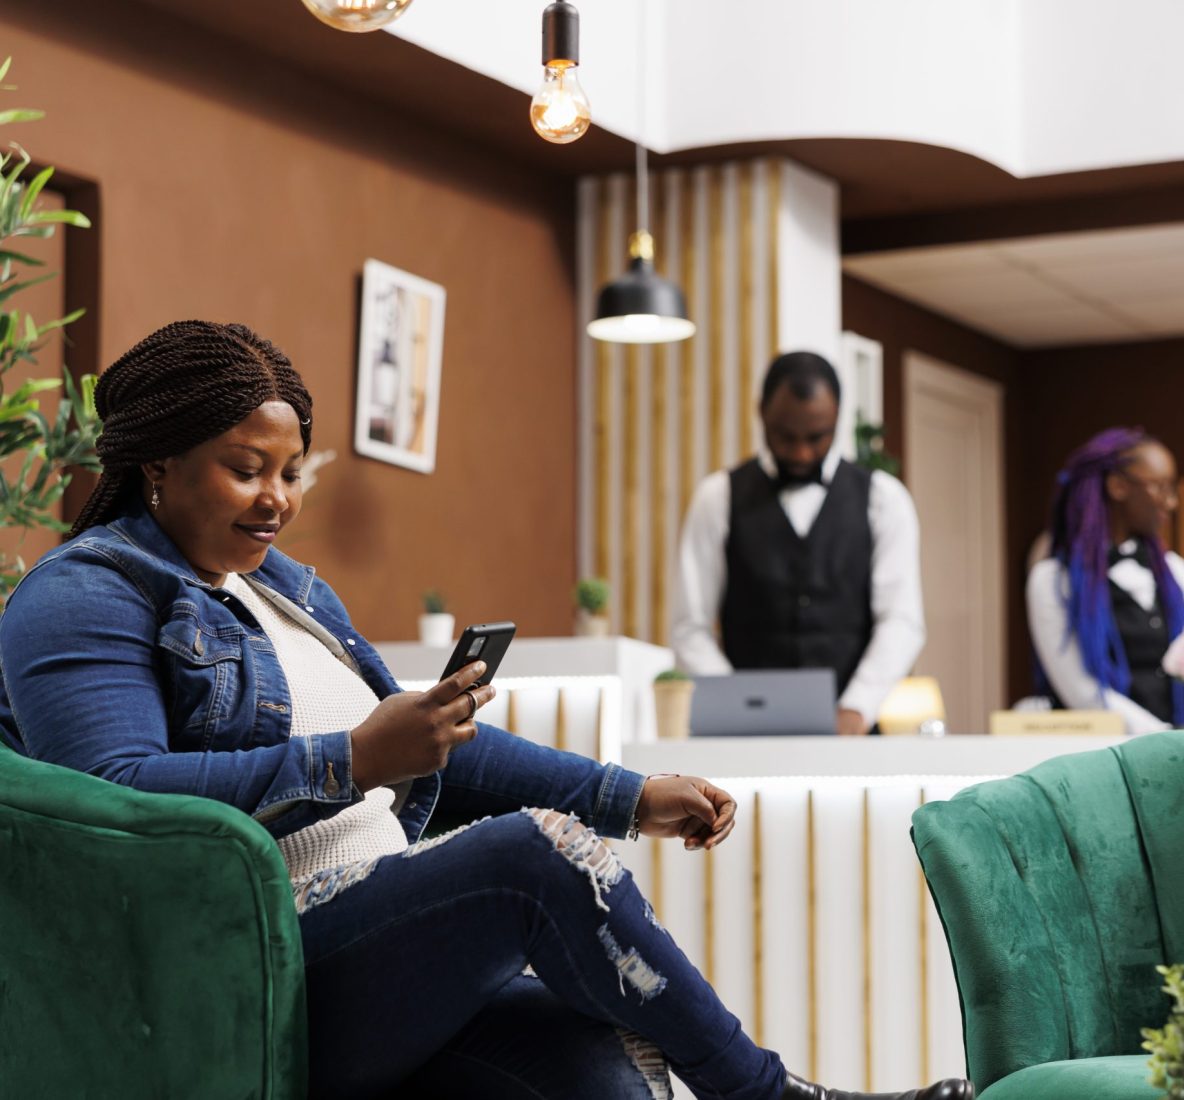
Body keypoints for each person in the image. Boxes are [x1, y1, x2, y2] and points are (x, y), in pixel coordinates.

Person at [0, 321, 971, 1100]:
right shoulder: (84, 593)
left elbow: (434, 748)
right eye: (246, 468)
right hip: (259, 959)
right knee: (531, 851)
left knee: (604, 1069)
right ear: (156, 461)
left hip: (394, 932)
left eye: (290, 470)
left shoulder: (286, 586)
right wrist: (350, 758)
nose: (277, 500)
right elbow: (112, 802)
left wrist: (629, 794)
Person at [671, 352, 925, 736]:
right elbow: (690, 626)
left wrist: (856, 707)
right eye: (785, 436)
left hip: (854, 736)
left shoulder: (884, 499)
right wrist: (737, 706)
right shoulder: (718, 496)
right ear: (761, 414)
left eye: (816, 437)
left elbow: (902, 620)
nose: (802, 453)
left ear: (838, 417)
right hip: (740, 737)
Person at [1026, 428, 1184, 735]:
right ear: (1118, 487)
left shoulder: (1175, 572)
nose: (1171, 502)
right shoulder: (1054, 582)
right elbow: (1083, 692)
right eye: (1160, 487)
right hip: (1097, 759)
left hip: (1172, 753)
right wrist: (1165, 739)